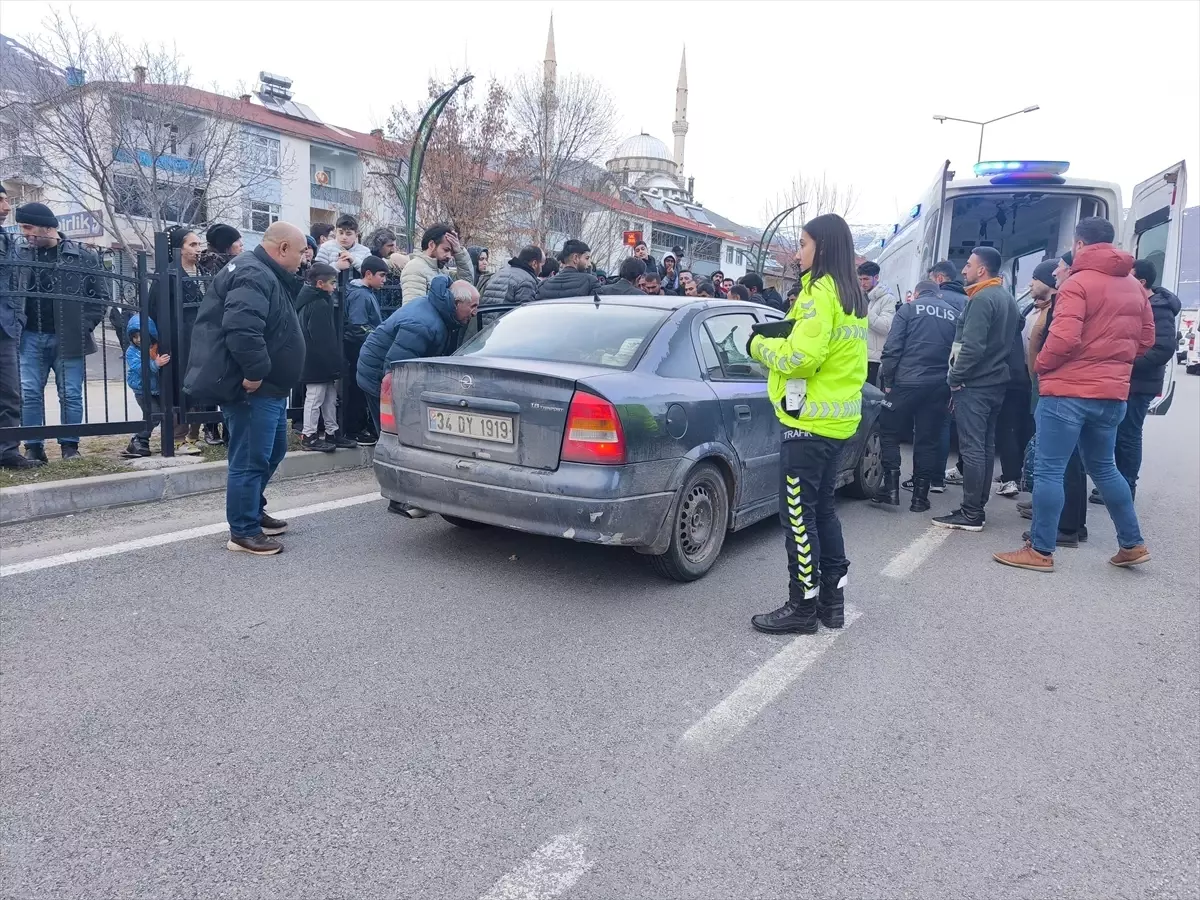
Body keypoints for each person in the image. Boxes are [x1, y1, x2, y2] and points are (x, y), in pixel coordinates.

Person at [995, 217, 1154, 572]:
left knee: (1050, 470)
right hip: (1112, 393)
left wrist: (1042, 367)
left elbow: (1064, 339)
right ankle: (1132, 543)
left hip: (1067, 391)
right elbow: (1145, 341)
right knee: (1105, 468)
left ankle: (1040, 550)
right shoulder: (1133, 286)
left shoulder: (1077, 284)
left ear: (1080, 244)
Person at [746, 213, 868, 635]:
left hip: (808, 423)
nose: (798, 253)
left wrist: (760, 345)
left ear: (823, 247)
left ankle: (802, 606)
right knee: (823, 513)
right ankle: (832, 603)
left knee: (798, 518)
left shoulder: (820, 292)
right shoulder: (853, 294)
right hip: (837, 422)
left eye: (802, 244)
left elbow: (802, 359)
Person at [183, 222, 307, 557]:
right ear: (282, 248)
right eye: (299, 252)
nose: (302, 259)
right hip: (256, 388)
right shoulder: (254, 274)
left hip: (270, 388)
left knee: (274, 450)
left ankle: (252, 509)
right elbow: (241, 328)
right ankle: (243, 530)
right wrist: (255, 373)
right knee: (251, 458)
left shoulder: (263, 272)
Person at [357, 276, 479, 517]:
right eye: (473, 307)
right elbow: (394, 369)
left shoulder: (439, 312)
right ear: (457, 303)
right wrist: (397, 404)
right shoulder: (423, 324)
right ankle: (398, 497)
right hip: (380, 379)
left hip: (388, 374)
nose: (476, 313)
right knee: (395, 436)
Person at [932, 247, 1018, 532]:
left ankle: (971, 512)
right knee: (984, 446)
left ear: (982, 270)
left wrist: (954, 377)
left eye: (968, 265)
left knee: (972, 448)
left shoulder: (982, 299)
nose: (964, 270)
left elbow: (972, 347)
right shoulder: (1006, 297)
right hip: (995, 382)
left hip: (975, 384)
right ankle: (976, 506)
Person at [14, 203, 104, 462]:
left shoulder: (82, 256)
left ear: (48, 227)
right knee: (29, 392)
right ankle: (34, 446)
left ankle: (69, 446)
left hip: (69, 338)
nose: (25, 234)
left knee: (71, 393)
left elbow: (99, 299)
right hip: (29, 335)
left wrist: (83, 327)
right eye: (22, 228)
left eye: (29, 227)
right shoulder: (20, 254)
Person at [872, 278, 962, 511]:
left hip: (907, 382)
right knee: (928, 439)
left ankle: (890, 489)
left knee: (888, 429)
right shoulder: (954, 314)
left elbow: (892, 347)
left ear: (918, 294)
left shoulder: (909, 310)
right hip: (939, 386)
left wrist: (889, 381)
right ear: (938, 294)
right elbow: (958, 354)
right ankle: (920, 498)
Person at [1018, 258, 1089, 546]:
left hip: (1058, 387)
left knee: (1061, 461)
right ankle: (1072, 522)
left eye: (1060, 267)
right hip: (1064, 386)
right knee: (1073, 460)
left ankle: (1064, 528)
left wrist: (1041, 369)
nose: (1057, 271)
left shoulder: (1069, 299)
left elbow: (1060, 343)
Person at [1109, 259, 1180, 497]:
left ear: (1141, 282)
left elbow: (1163, 349)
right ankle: (1117, 483)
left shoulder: (1159, 308)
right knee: (1119, 432)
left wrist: (1128, 364)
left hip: (1140, 382)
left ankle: (1127, 485)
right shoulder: (1139, 303)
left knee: (1129, 434)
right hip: (1128, 380)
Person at [294, 262, 356, 453]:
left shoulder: (315, 298)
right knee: (316, 397)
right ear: (320, 284)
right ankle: (309, 435)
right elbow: (320, 336)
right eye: (332, 282)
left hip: (318, 358)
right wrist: (332, 360)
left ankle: (332, 431)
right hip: (316, 359)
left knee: (329, 396)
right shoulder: (318, 302)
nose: (335, 286)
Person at [0, 185, 41, 468]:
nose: (6, 207)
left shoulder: (10, 241)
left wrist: (18, 318)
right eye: (1, 201)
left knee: (10, 392)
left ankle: (8, 450)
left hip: (6, 327)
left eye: (6, 200)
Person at [340, 255, 388, 445]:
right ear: (368, 274)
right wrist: (377, 338)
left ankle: (361, 425)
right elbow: (357, 325)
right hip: (359, 347)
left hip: (363, 345)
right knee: (358, 389)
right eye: (382, 275)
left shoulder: (365, 292)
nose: (384, 280)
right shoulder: (360, 294)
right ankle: (354, 429)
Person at [120, 314, 169, 458]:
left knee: (156, 415)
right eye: (134, 337)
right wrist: (155, 364)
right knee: (154, 415)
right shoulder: (131, 352)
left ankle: (142, 442)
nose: (138, 339)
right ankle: (138, 439)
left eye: (141, 335)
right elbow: (140, 368)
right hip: (142, 390)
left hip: (157, 389)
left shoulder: (157, 347)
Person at [400, 223, 474, 302]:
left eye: (452, 252)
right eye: (446, 250)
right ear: (431, 245)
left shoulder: (442, 270)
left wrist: (459, 252)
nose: (449, 256)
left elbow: (465, 287)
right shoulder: (415, 268)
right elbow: (413, 309)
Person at [858, 261, 896, 386]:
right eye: (861, 279)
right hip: (860, 357)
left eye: (866, 279)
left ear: (876, 277)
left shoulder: (888, 299)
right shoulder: (861, 297)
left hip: (875, 360)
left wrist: (865, 311)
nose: (863, 283)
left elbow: (886, 326)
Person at [536, 239, 600, 299]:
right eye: (587, 258)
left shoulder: (543, 285)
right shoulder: (590, 282)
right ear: (575, 258)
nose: (589, 264)